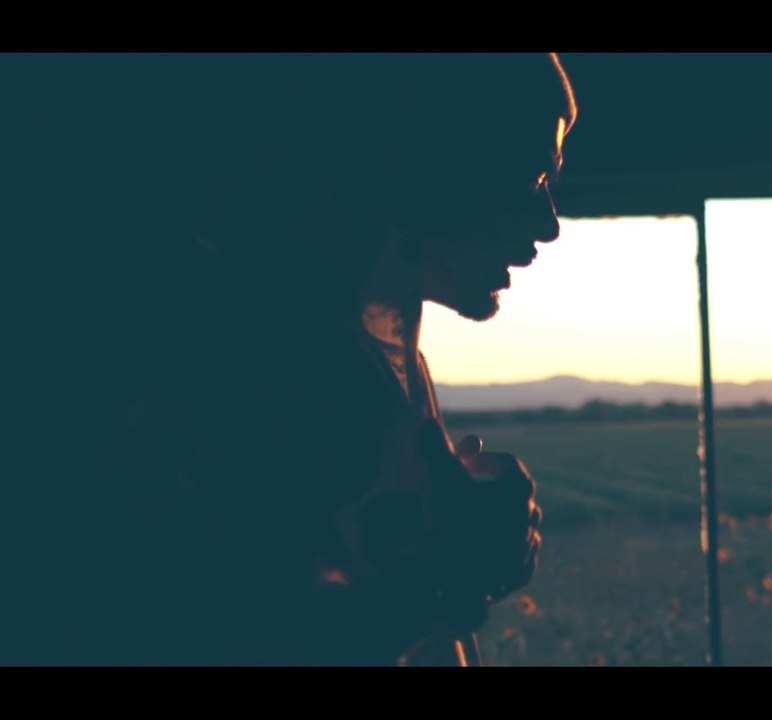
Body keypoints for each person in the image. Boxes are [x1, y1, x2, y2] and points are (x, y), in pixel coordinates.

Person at [3, 52, 578, 666]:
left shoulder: (371, 364)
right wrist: (448, 581)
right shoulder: (235, 370)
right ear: (420, 165)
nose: (548, 226)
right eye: (532, 179)